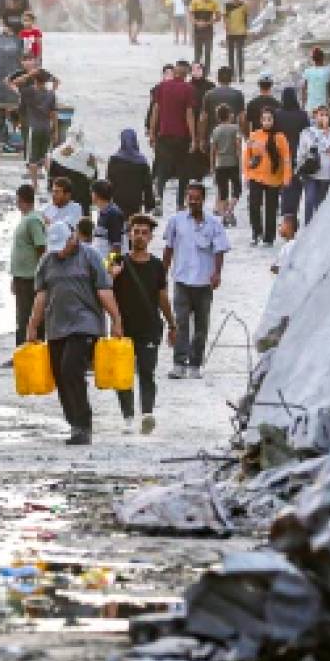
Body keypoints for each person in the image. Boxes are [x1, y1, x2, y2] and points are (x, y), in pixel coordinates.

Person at [27, 216, 125, 446]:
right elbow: (41, 296)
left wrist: (117, 320)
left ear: (73, 238)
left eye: (63, 247)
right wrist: (32, 326)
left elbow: (104, 291)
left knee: (71, 369)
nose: (59, 253)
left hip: (85, 323)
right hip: (56, 326)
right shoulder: (47, 262)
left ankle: (84, 425)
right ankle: (74, 424)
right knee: (60, 375)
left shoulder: (90, 255)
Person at [110, 213, 176, 435]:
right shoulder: (115, 260)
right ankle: (128, 417)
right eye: (135, 232)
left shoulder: (157, 265)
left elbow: (163, 297)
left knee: (147, 371)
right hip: (123, 328)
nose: (139, 236)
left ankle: (147, 414)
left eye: (144, 233)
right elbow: (102, 289)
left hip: (149, 327)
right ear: (129, 234)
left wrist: (173, 325)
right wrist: (112, 275)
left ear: (150, 237)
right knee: (123, 374)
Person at [162, 182, 231, 380]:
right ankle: (179, 363)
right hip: (182, 280)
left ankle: (195, 364)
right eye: (190, 197)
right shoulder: (176, 221)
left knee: (201, 326)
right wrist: (162, 273)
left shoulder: (214, 223)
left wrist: (217, 273)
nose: (192, 201)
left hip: (203, 283)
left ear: (203, 199)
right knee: (181, 322)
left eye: (196, 198)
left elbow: (219, 250)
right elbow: (169, 248)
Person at [146, 64, 196, 211]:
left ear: (174, 73)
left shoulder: (162, 87)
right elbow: (189, 114)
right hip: (182, 136)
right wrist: (193, 138)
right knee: (183, 171)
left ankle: (159, 197)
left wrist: (152, 132)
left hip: (164, 134)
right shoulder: (189, 89)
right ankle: (180, 203)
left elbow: (155, 110)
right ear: (186, 74)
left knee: (161, 168)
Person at [8, 184, 49, 352]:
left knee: (28, 316)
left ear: (21, 199)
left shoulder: (32, 220)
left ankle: (27, 350)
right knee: (23, 315)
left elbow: (41, 248)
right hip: (22, 276)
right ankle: (25, 351)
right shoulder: (27, 219)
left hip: (30, 278)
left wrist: (43, 276)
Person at [243, 108, 292, 247]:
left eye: (269, 119)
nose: (267, 122)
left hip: (274, 178)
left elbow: (286, 158)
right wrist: (246, 174)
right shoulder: (254, 136)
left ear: (274, 120)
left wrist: (287, 176)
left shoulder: (280, 137)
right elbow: (247, 156)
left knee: (271, 208)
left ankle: (269, 237)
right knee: (253, 205)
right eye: (264, 119)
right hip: (256, 176)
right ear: (260, 120)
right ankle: (256, 232)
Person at [6, 55, 58, 185]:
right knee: (45, 156)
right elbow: (54, 114)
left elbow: (13, 83)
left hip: (33, 128)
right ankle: (51, 183)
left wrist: (30, 75)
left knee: (32, 159)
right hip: (46, 128)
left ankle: (34, 185)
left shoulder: (28, 91)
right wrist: (55, 131)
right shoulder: (51, 95)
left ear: (35, 79)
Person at [273, 86, 312, 218]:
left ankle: (286, 214)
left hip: (281, 156)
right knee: (296, 187)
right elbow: (308, 135)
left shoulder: (277, 115)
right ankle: (292, 214)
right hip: (298, 155)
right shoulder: (302, 115)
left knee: (284, 185)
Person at [297, 105, 330, 225]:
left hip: (326, 172)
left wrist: (325, 132)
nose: (323, 118)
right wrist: (300, 168)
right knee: (309, 199)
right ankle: (308, 227)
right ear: (315, 116)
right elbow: (301, 152)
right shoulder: (306, 132)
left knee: (321, 204)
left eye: (326, 115)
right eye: (321, 115)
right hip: (310, 172)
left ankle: (318, 229)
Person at [47, 127, 101, 215]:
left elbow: (51, 176)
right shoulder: (87, 155)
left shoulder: (57, 153)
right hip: (82, 199)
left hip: (63, 198)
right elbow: (93, 175)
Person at [209, 104, 243, 226]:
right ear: (229, 115)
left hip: (220, 164)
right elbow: (238, 146)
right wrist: (241, 162)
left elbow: (213, 150)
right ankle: (229, 211)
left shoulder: (215, 130)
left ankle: (224, 215)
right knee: (237, 190)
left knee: (223, 191)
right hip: (233, 163)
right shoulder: (235, 129)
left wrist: (212, 166)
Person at [105, 129, 152, 217]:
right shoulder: (142, 162)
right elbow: (148, 185)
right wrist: (148, 205)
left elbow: (108, 182)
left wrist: (105, 202)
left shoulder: (114, 160)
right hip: (134, 202)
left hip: (117, 201)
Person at [202, 67, 247, 139]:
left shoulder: (209, 94)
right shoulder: (238, 94)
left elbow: (204, 118)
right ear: (231, 79)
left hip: (212, 135)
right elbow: (242, 119)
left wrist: (202, 139)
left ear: (218, 78)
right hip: (232, 136)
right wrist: (244, 136)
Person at [188, 0, 221, 72]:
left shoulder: (214, 3)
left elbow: (218, 17)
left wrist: (209, 22)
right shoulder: (195, 1)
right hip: (197, 29)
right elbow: (190, 15)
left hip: (208, 30)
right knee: (197, 52)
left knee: (207, 51)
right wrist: (196, 22)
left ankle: (206, 71)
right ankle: (196, 71)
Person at [93, 179, 127, 258]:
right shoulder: (103, 212)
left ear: (96, 195)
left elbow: (116, 246)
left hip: (108, 267)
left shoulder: (113, 213)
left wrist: (111, 267)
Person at [223, 0, 250, 83]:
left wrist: (246, 30)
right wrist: (226, 28)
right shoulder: (227, 5)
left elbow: (246, 18)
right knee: (230, 54)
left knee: (240, 54)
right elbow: (225, 18)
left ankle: (241, 74)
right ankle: (232, 75)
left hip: (241, 32)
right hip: (230, 32)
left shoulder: (244, 5)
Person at [300, 46, 330, 113]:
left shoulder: (307, 71)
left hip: (310, 106)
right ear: (323, 57)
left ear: (313, 59)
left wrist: (303, 105)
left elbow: (303, 89)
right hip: (323, 106)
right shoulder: (328, 71)